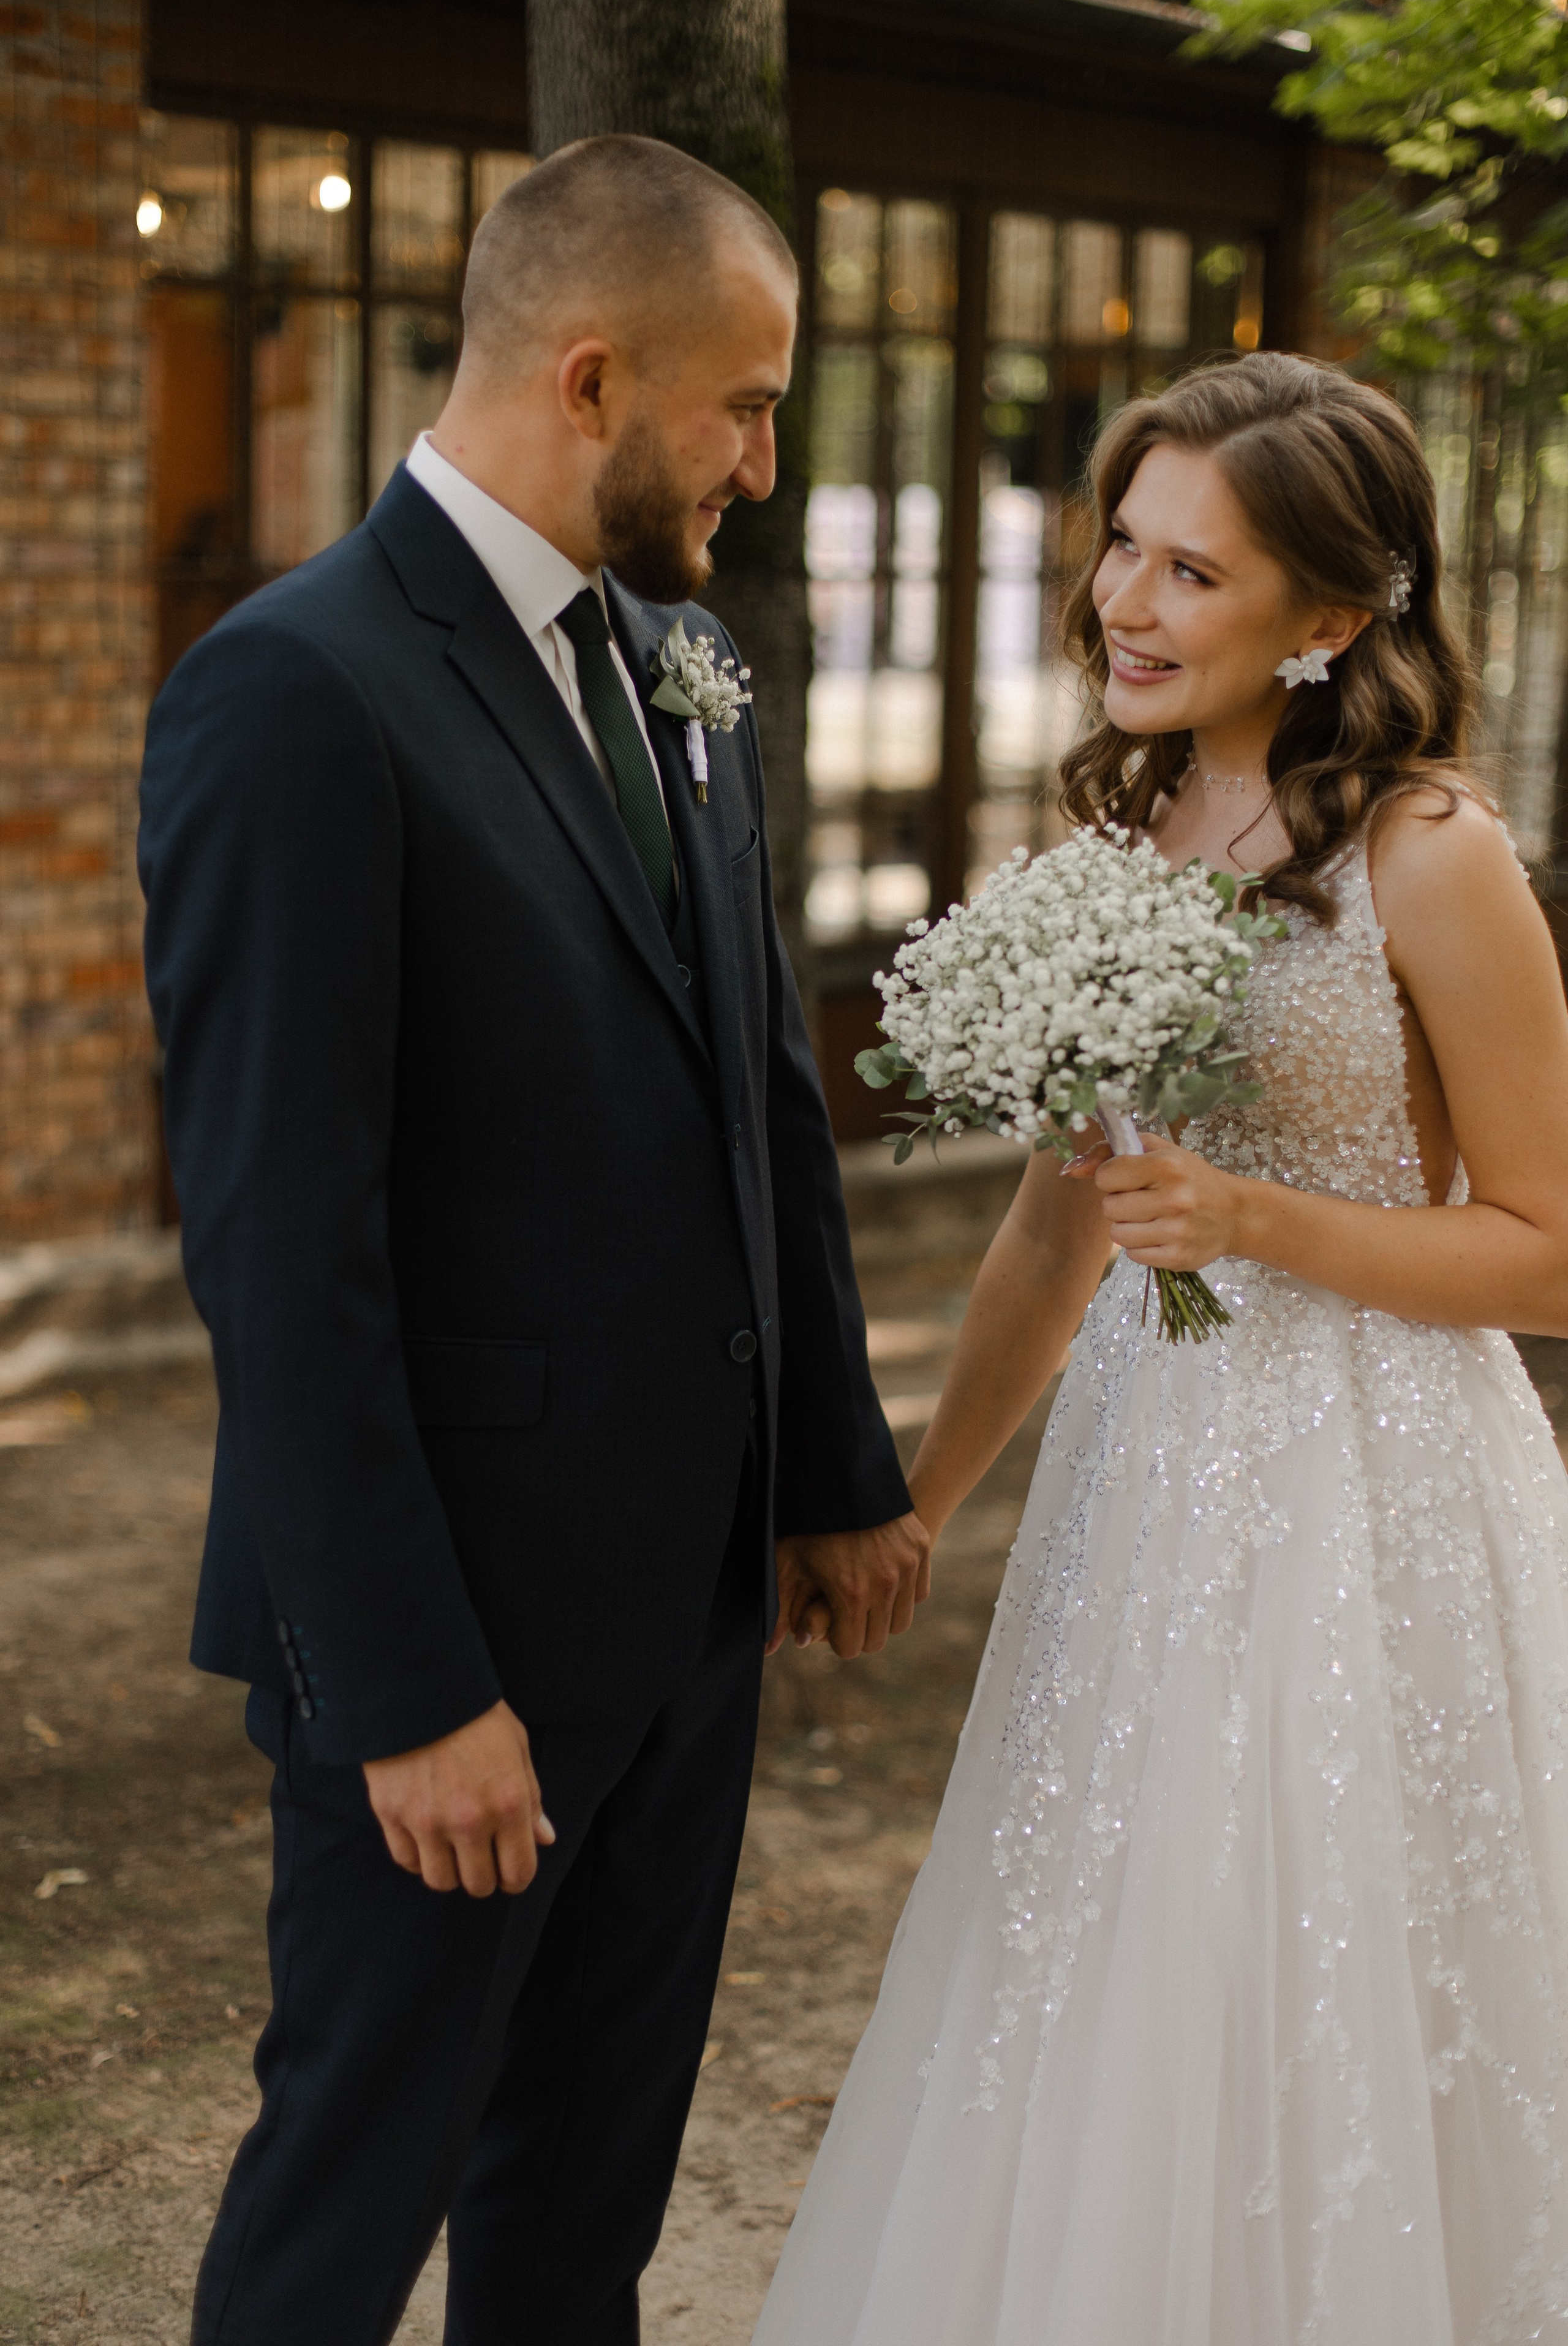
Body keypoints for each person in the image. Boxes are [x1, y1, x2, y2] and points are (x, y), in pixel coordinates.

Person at [138, 134, 927, 2346]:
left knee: (586, 2203)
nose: (768, 463)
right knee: (351, 2197)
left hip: (684, 1615)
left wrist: (835, 1472)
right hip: (451, 1645)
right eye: (746, 406)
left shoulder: (677, 665)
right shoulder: (296, 693)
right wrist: (406, 1696)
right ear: (592, 379)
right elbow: (287, 1251)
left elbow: (760, 1089)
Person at [753, 353, 1568, 2345]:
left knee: (1342, 1958)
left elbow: (1551, 1253)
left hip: (1377, 1504)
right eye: (1124, 540)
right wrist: (918, 1501)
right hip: (1144, 1491)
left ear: (1333, 619)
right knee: (1110, 1941)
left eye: (1193, 573)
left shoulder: (1433, 854)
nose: (1125, 597)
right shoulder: (1120, 833)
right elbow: (1054, 1223)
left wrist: (1259, 1223)